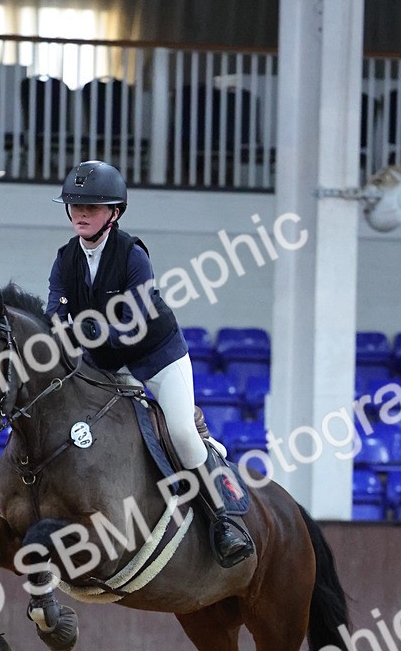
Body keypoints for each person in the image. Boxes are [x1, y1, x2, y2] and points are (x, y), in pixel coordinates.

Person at [46, 160, 254, 569]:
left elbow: (132, 323)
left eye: (92, 206)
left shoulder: (132, 255)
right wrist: (58, 335)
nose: (81, 214)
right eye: (74, 206)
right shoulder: (64, 258)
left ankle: (224, 521)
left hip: (156, 358)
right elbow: (55, 310)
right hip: (104, 364)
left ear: (114, 213)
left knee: (179, 431)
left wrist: (80, 336)